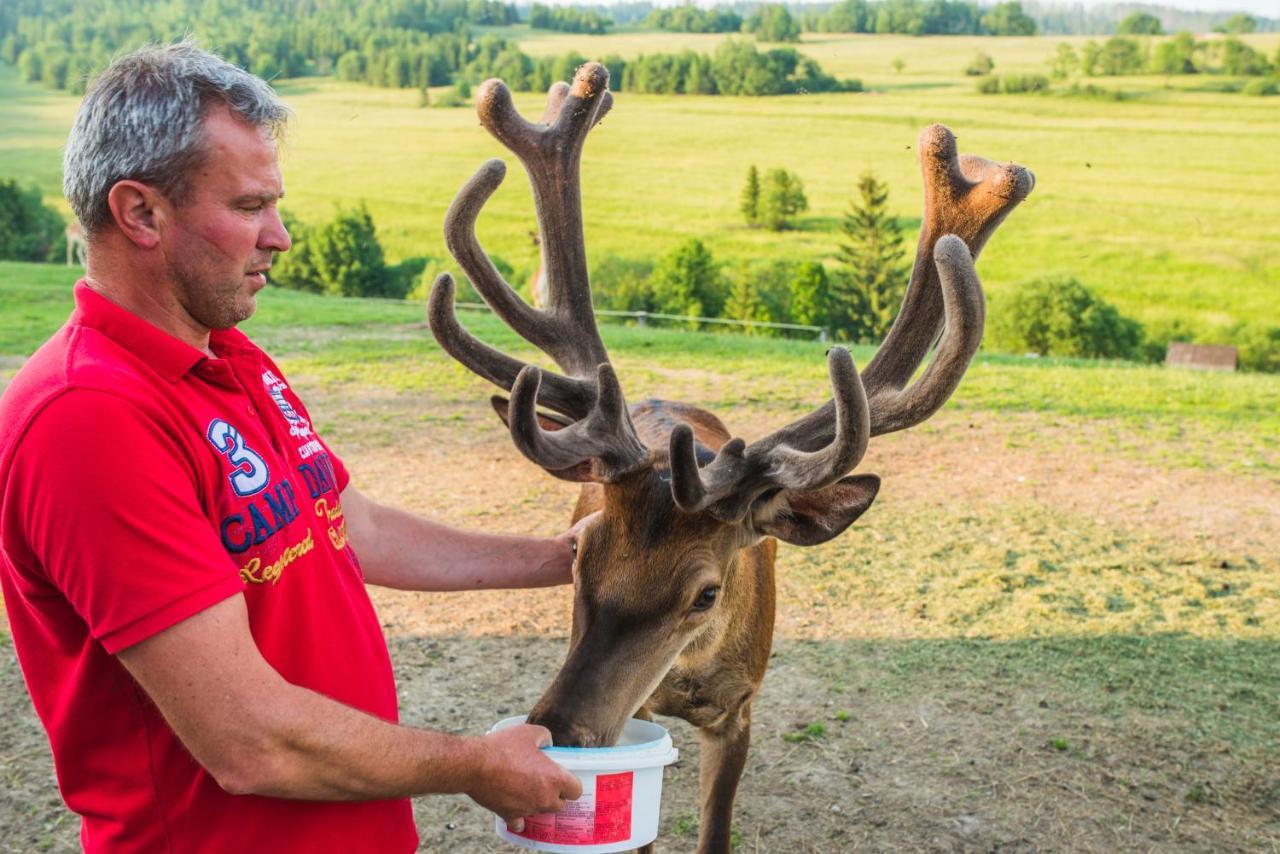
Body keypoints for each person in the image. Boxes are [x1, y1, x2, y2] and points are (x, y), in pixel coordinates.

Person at [0, 41, 585, 853]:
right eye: (247, 208)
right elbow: (250, 740)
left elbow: (352, 527)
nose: (278, 236)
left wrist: (563, 557)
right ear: (140, 213)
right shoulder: (87, 419)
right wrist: (476, 765)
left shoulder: (227, 357)